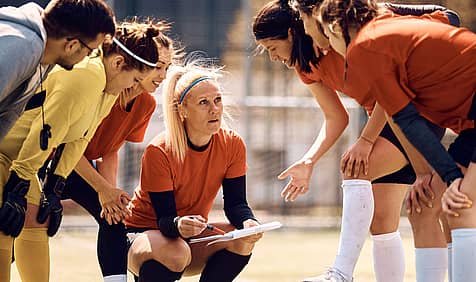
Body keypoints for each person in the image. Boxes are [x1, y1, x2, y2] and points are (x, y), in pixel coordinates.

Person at [253, 1, 458, 281]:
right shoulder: (307, 66)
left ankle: (341, 273)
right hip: (386, 117)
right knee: (384, 222)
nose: (273, 57)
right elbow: (335, 117)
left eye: (272, 48)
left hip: (413, 110)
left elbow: (395, 86)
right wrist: (309, 160)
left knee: (356, 167)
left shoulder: (348, 36)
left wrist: (365, 140)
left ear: (291, 32)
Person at [315, 0, 476, 281]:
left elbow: (407, 120)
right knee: (426, 205)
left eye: (327, 36)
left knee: (460, 205)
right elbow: (406, 118)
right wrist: (432, 175)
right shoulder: (380, 33)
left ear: (336, 27)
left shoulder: (365, 46)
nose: (327, 46)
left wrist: (452, 179)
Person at [0, 21, 162, 282]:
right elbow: (46, 131)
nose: (132, 88)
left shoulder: (109, 86)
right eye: (134, 80)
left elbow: (78, 139)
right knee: (6, 227)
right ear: (119, 63)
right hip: (7, 154)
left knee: (35, 223)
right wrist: (18, 185)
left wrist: (54, 185)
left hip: (19, 159)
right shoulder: (87, 75)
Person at [124, 62, 263, 282]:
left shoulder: (232, 144)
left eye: (217, 100)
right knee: (176, 251)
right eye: (203, 103)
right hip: (143, 234)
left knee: (242, 239)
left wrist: (248, 222)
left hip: (186, 237)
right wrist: (179, 224)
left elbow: (236, 204)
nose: (214, 108)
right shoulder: (159, 150)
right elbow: (165, 220)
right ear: (183, 110)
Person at [60, 22, 175, 282]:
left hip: (84, 165)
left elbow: (110, 149)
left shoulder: (145, 103)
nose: (163, 74)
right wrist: (102, 189)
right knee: (26, 223)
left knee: (115, 218)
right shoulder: (101, 87)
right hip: (54, 160)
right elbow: (68, 145)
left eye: (167, 67)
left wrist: (109, 194)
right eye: (158, 66)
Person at [0, 0, 116, 141]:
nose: (89, 56)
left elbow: (8, 116)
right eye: (90, 51)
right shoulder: (23, 47)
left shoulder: (45, 58)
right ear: (72, 45)